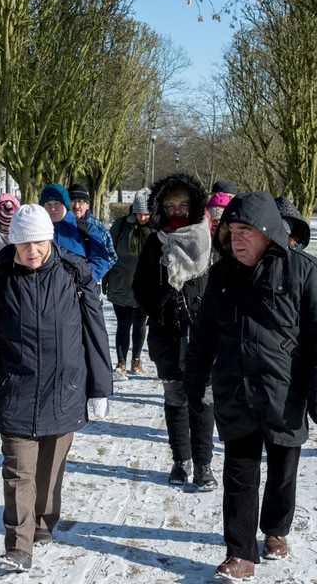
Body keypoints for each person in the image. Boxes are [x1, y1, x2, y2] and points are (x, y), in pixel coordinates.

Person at [183, 191, 317, 581]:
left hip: (285, 393)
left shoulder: (304, 270)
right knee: (239, 474)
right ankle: (240, 553)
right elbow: (203, 334)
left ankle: (276, 529)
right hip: (235, 393)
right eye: (231, 231)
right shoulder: (219, 275)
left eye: (246, 231)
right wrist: (195, 381)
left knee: (282, 472)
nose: (236, 239)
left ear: (268, 233)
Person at [0, 204, 113, 573]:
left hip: (65, 389)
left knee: (50, 471)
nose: (32, 250)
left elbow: (95, 333)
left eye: (39, 242)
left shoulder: (74, 273)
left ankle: (43, 525)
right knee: (18, 472)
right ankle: (18, 545)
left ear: (50, 238)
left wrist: (99, 387)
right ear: (13, 242)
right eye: (24, 243)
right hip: (14, 389)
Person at [132, 172, 217, 490]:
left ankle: (204, 465)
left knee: (202, 398)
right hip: (166, 333)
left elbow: (221, 286)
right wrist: (160, 303)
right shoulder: (155, 242)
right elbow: (138, 287)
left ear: (194, 204)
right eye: (170, 204)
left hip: (202, 335)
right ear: (161, 207)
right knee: (175, 398)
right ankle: (181, 461)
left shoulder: (210, 240)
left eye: (183, 203)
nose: (177, 209)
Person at [105, 187, 152, 381]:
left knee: (140, 324)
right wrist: (106, 279)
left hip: (145, 286)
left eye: (146, 214)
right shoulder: (121, 225)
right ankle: (121, 363)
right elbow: (109, 250)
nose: (141, 218)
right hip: (121, 283)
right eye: (138, 213)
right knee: (123, 324)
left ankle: (136, 359)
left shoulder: (157, 228)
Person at [38, 182, 112, 281]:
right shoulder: (36, 231)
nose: (52, 208)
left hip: (77, 292)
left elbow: (101, 260)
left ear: (66, 205)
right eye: (48, 204)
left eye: (57, 204)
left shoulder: (86, 229)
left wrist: (82, 278)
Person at [68, 182, 118, 266]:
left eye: (81, 202)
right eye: (72, 201)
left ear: (87, 205)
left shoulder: (98, 227)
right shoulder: (57, 225)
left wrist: (92, 272)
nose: (76, 206)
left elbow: (111, 256)